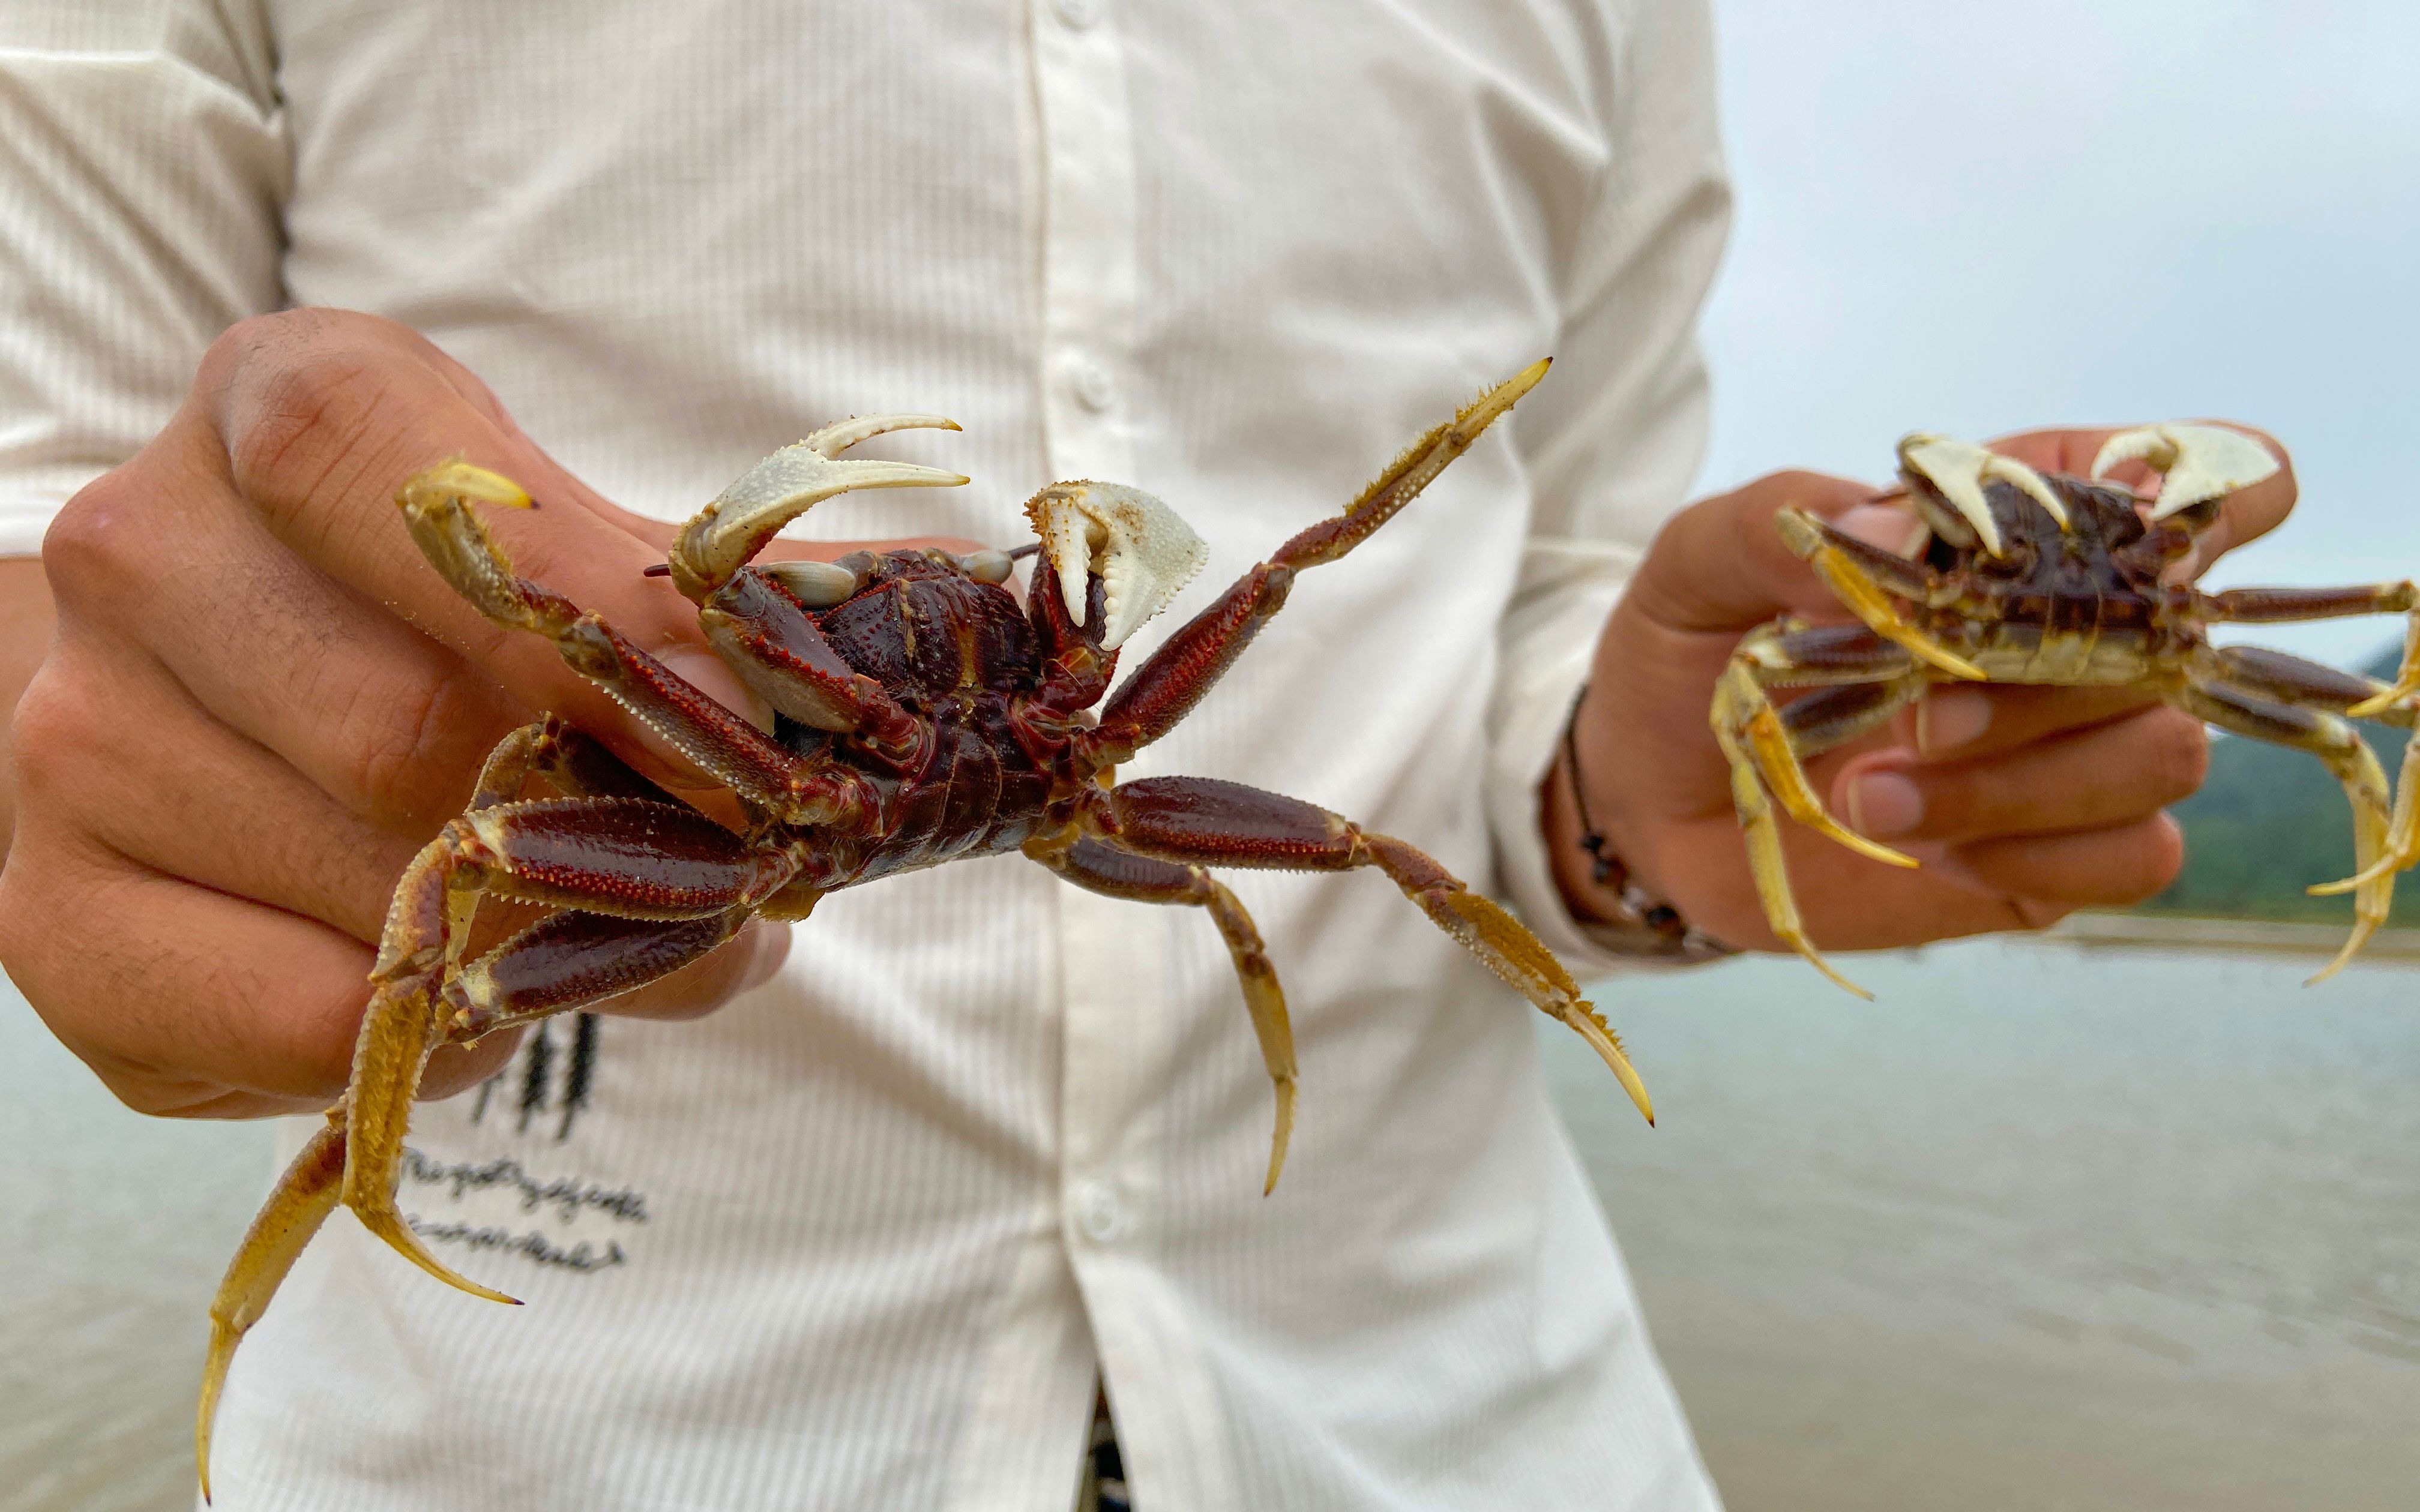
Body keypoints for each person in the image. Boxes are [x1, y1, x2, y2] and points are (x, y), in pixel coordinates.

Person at [0, 2, 2286, 1508]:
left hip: (1456, 1420)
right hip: (557, 1413)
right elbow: (60, 532)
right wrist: (127, 784)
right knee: (446, 936)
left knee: (1328, 795)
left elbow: (1515, 617)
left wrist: (1616, 810)